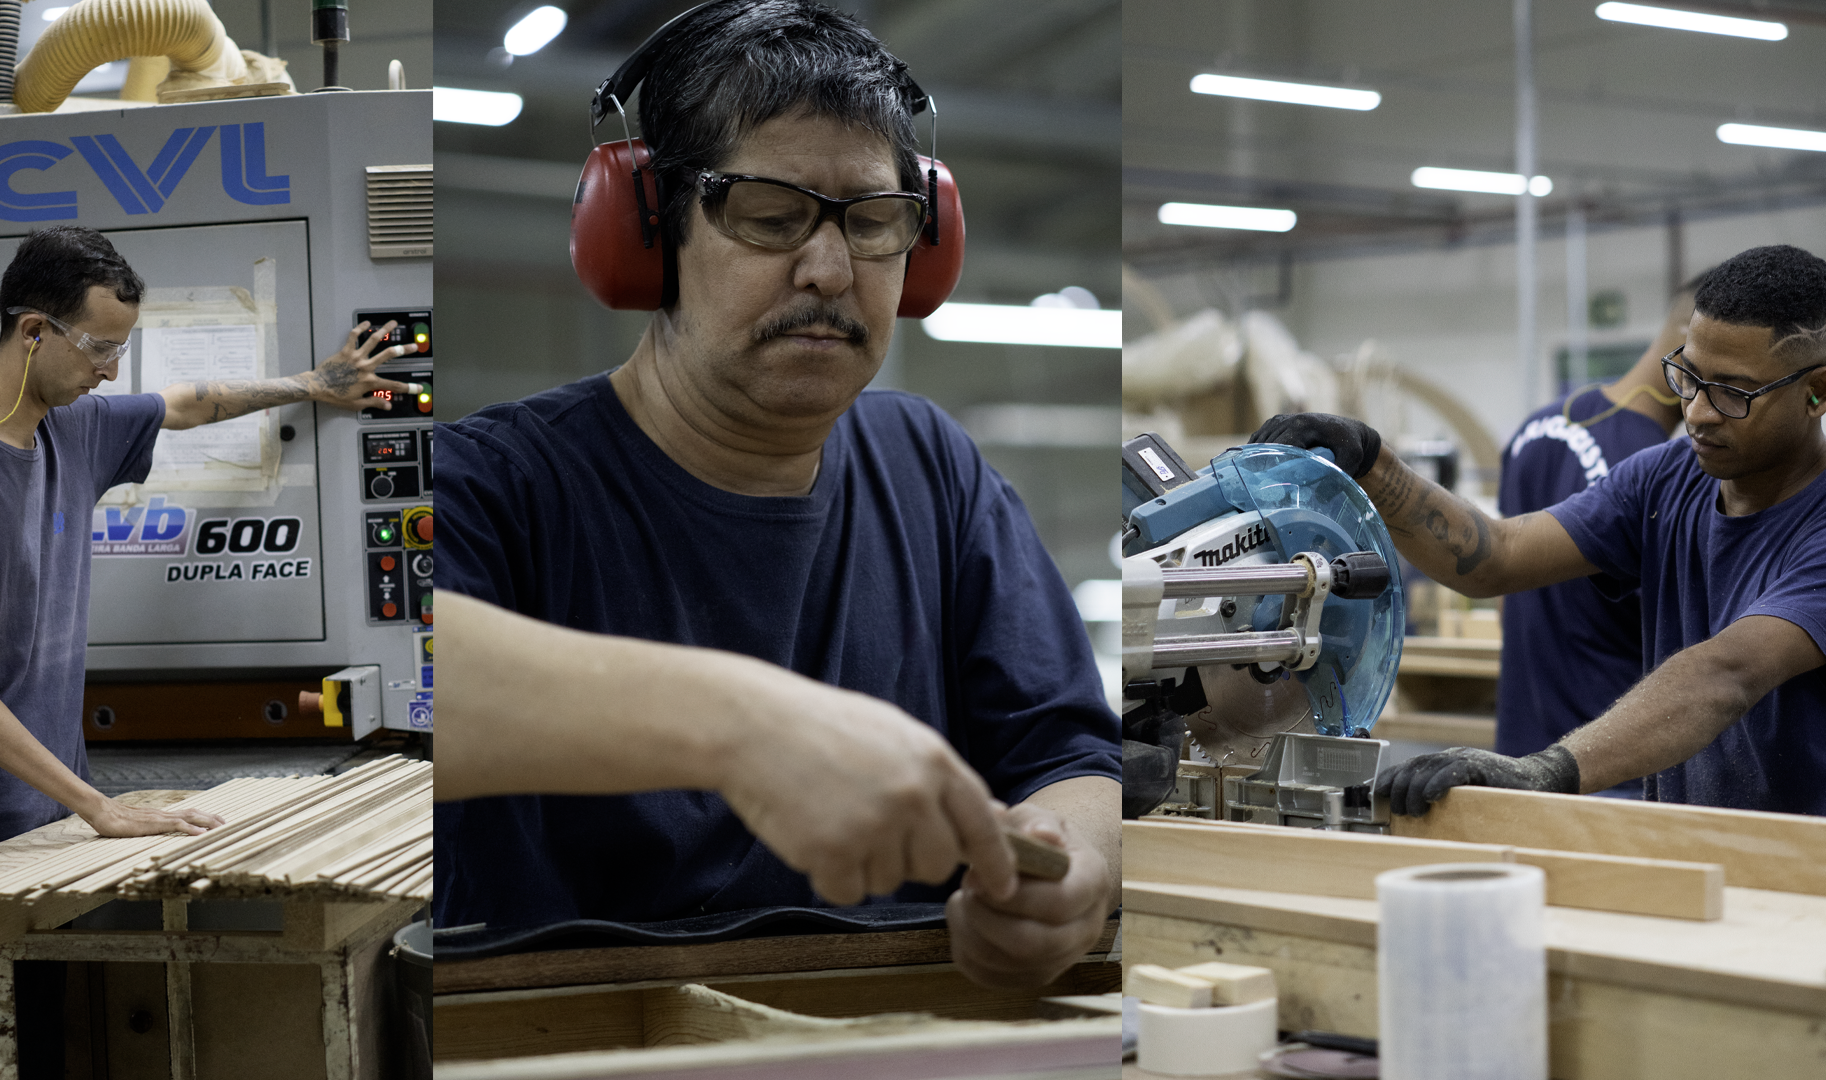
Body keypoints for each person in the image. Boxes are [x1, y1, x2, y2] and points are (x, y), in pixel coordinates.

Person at [432, 0, 1119, 991]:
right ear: (651, 230)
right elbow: (395, 681)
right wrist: (748, 729)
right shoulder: (495, 485)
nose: (830, 269)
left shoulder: (933, 469)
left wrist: (1078, 871)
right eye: (770, 215)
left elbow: (1066, 750)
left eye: (875, 223)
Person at [0, 225, 413, 1079]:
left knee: (59, 1048)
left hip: (52, 832)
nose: (109, 370)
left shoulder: (74, 430)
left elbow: (190, 402)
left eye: (122, 349)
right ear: (33, 331)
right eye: (99, 347)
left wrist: (310, 384)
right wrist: (96, 805)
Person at [1251, 244, 1826, 818]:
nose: (1698, 412)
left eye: (1733, 392)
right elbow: (1499, 555)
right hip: (1695, 840)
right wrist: (1375, 465)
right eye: (1690, 378)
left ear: (1817, 391)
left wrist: (1544, 770)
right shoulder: (1664, 480)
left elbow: (1729, 672)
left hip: (1802, 863)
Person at [1493, 277, 1702, 796]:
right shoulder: (1659, 472)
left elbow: (1503, 583)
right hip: (1605, 759)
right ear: (1690, 336)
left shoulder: (1537, 425)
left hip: (1519, 749)